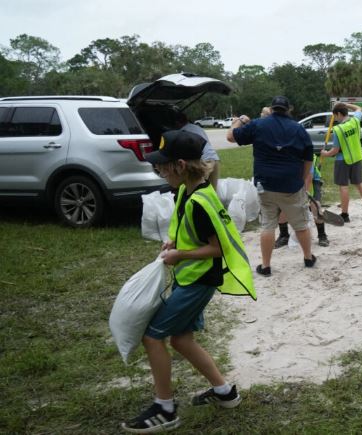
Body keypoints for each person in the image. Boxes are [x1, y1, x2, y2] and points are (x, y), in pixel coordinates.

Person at [122, 130, 255, 433]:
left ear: (180, 165)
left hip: (199, 281)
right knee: (181, 340)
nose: (158, 170)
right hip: (190, 279)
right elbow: (187, 229)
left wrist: (181, 255)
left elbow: (217, 248)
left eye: (162, 165)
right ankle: (225, 392)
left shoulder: (200, 201)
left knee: (152, 336)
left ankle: (165, 409)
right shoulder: (188, 192)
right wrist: (173, 242)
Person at [226, 96, 316, 276]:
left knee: (268, 226)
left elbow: (230, 136)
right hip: (291, 186)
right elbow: (308, 158)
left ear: (272, 109)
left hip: (265, 185)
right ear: (288, 109)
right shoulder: (299, 129)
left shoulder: (258, 124)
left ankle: (266, 266)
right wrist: (302, 179)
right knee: (300, 224)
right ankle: (308, 258)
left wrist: (239, 120)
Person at [319, 102, 362, 222]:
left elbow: (335, 150)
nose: (335, 119)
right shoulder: (355, 121)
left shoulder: (338, 129)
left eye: (335, 116)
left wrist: (325, 154)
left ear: (339, 114)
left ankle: (345, 215)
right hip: (357, 158)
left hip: (342, 160)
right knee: (360, 184)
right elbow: (358, 108)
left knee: (343, 187)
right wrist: (345, 104)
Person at [174, 112, 221, 189]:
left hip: (204, 162)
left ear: (177, 123)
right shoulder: (197, 127)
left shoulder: (183, 132)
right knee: (212, 192)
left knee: (198, 191)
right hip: (214, 158)